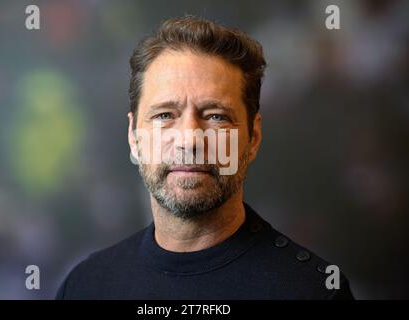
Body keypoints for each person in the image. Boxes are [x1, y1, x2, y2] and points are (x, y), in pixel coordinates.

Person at [56, 16, 354, 299]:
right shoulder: (85, 286)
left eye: (215, 116)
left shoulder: (312, 292)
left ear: (253, 138)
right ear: (134, 138)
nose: (189, 139)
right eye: (164, 115)